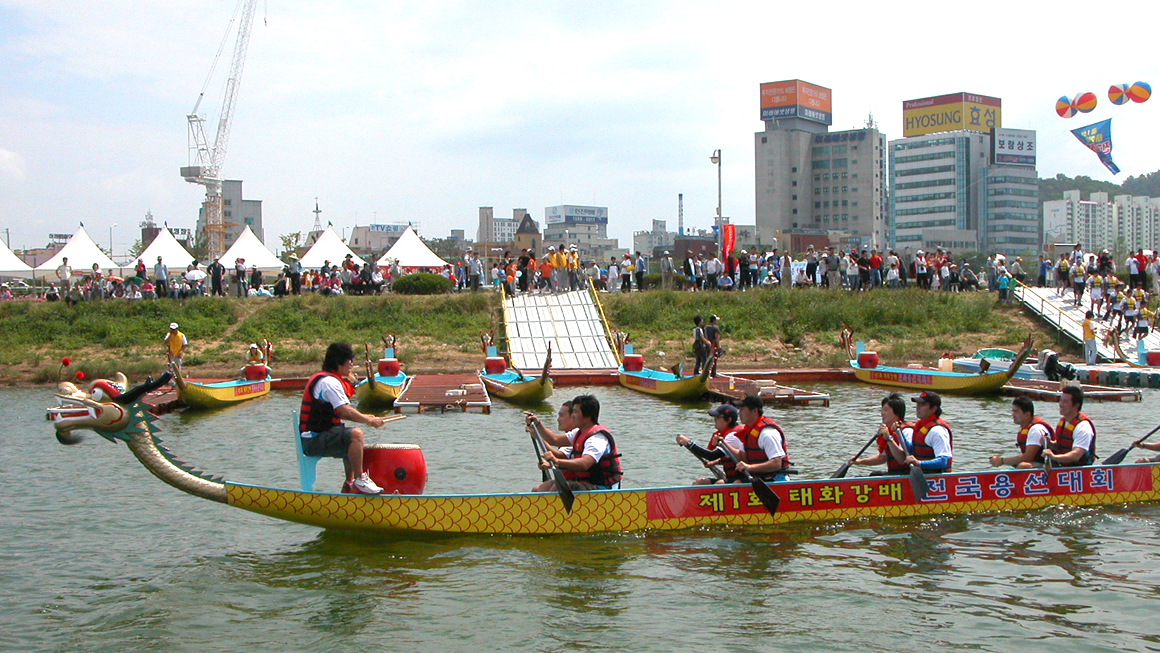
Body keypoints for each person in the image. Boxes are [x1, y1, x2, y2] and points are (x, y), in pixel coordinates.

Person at [299, 342, 390, 494]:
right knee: (355, 435)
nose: (351, 364)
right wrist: (369, 421)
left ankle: (350, 483)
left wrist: (366, 416)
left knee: (351, 440)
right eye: (349, 360)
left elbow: (344, 412)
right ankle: (360, 479)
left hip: (317, 436)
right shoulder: (329, 382)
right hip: (313, 441)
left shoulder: (328, 379)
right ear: (339, 361)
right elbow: (344, 412)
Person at [532, 394, 622, 491]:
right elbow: (554, 439)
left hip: (602, 488)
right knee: (541, 488)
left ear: (587, 416)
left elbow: (584, 464)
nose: (572, 416)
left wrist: (557, 461)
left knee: (557, 488)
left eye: (575, 412)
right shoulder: (579, 432)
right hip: (585, 483)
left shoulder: (597, 439)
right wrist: (538, 424)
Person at [720, 394, 790, 481]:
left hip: (775, 480)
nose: (739, 412)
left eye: (742, 409)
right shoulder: (750, 432)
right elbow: (743, 457)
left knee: (737, 482)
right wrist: (723, 444)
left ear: (754, 411)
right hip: (760, 480)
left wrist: (749, 467)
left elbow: (776, 463)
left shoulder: (767, 433)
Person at [676, 404, 744, 484]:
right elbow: (729, 457)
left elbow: (711, 455)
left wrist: (688, 442)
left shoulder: (733, 436)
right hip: (732, 478)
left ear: (729, 420)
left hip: (741, 479)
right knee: (699, 482)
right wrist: (716, 462)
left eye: (718, 417)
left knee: (720, 484)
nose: (714, 420)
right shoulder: (725, 435)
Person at [850, 393, 912, 476]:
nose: (882, 413)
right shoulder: (889, 431)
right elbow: (882, 458)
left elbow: (902, 459)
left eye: (886, 410)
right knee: (873, 474)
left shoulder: (906, 431)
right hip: (895, 473)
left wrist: (888, 438)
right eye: (882, 409)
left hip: (906, 474)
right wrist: (859, 461)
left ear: (896, 412)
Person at [990, 396, 1053, 468]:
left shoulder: (1035, 429)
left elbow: (1028, 457)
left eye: (1016, 412)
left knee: (1023, 466)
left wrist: (1001, 461)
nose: (1013, 414)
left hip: (1048, 466)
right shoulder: (1024, 428)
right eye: (1013, 411)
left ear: (1027, 414)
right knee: (1016, 464)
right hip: (1036, 463)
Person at [1043, 385, 1097, 467]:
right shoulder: (1063, 421)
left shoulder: (1083, 427)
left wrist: (1054, 457)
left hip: (1079, 470)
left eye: (1065, 401)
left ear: (1076, 406)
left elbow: (1076, 455)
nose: (1061, 404)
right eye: (1060, 400)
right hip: (1064, 467)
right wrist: (1049, 443)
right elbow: (1062, 445)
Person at [906, 391, 953, 472]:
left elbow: (943, 461)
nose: (918, 407)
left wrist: (919, 463)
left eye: (922, 404)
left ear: (933, 409)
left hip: (938, 479)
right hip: (923, 475)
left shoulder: (937, 431)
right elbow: (914, 449)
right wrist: (894, 436)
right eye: (918, 404)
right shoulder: (921, 426)